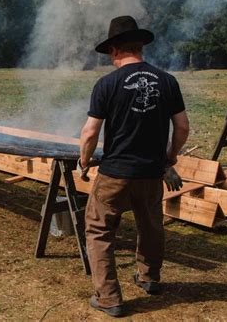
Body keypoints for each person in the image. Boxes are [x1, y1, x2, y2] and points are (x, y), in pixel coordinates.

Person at [78, 16, 189, 317]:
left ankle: (110, 297)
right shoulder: (167, 81)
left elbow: (90, 132)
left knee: (99, 230)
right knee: (151, 225)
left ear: (114, 50)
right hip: (152, 173)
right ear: (140, 47)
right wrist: (170, 157)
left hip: (115, 174)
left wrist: (84, 161)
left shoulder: (107, 84)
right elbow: (181, 127)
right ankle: (150, 277)